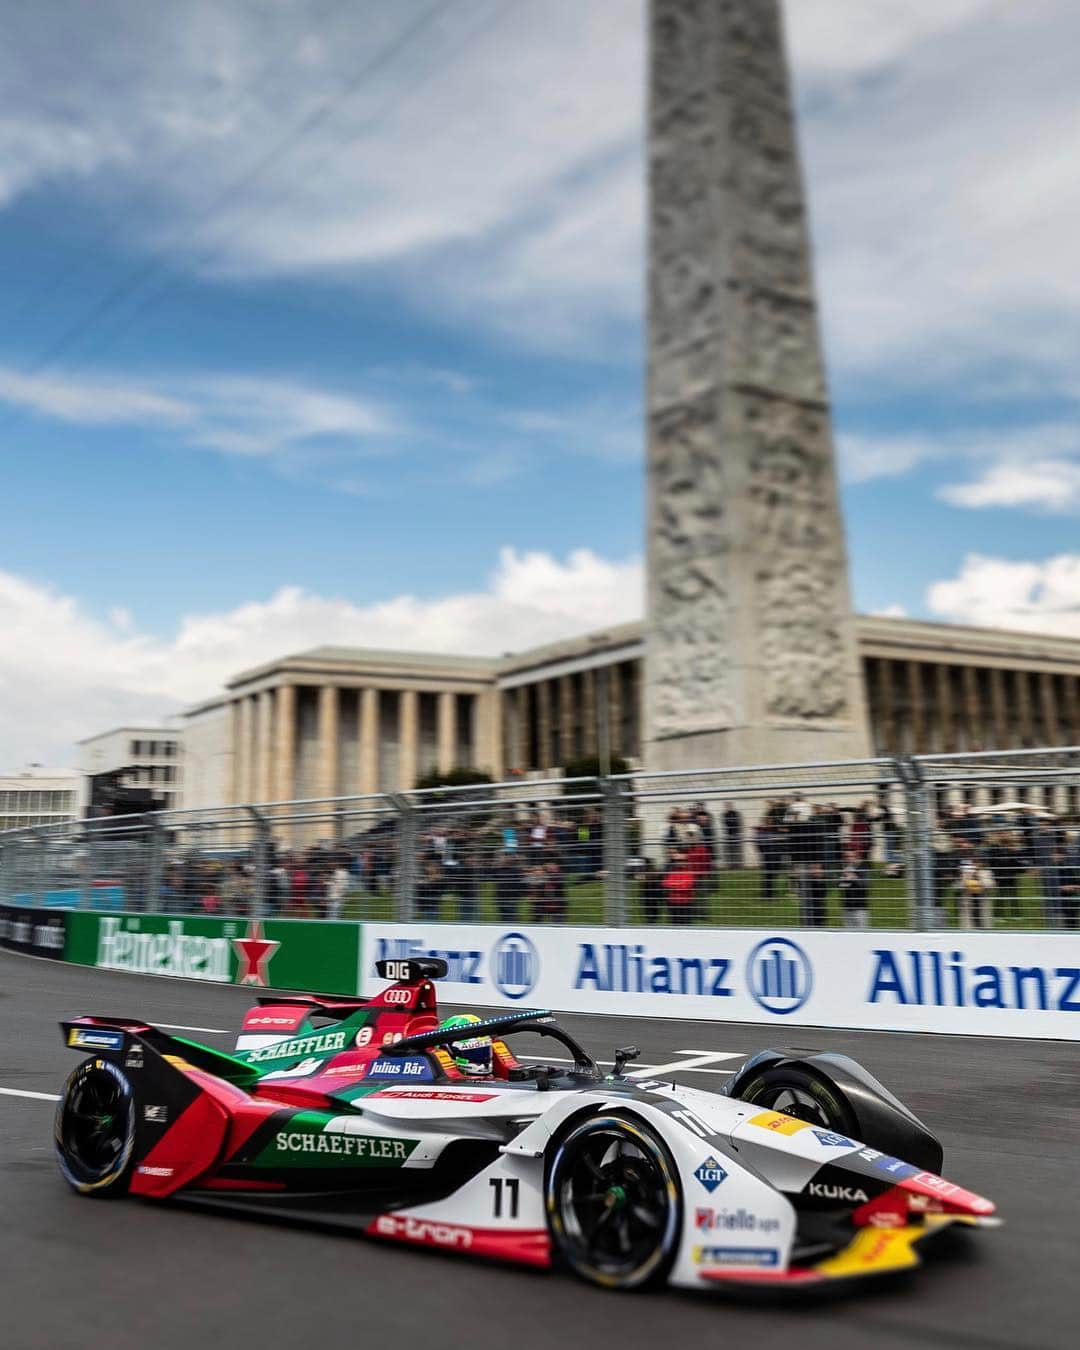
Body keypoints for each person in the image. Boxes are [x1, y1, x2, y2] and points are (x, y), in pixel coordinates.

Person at [837, 848, 870, 928]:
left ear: (856, 857)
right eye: (846, 857)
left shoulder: (863, 868)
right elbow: (839, 885)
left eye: (851, 856)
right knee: (847, 931)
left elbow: (865, 884)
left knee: (862, 931)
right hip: (847, 907)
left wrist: (853, 877)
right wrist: (843, 879)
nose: (848, 859)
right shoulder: (844, 869)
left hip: (860, 907)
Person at [721, 801, 743, 870]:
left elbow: (738, 823)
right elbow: (724, 824)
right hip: (728, 835)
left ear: (731, 806)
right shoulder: (724, 814)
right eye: (726, 805)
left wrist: (738, 832)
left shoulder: (736, 814)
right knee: (730, 851)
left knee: (736, 850)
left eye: (729, 805)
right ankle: (731, 865)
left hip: (735, 834)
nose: (728, 807)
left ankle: (737, 865)